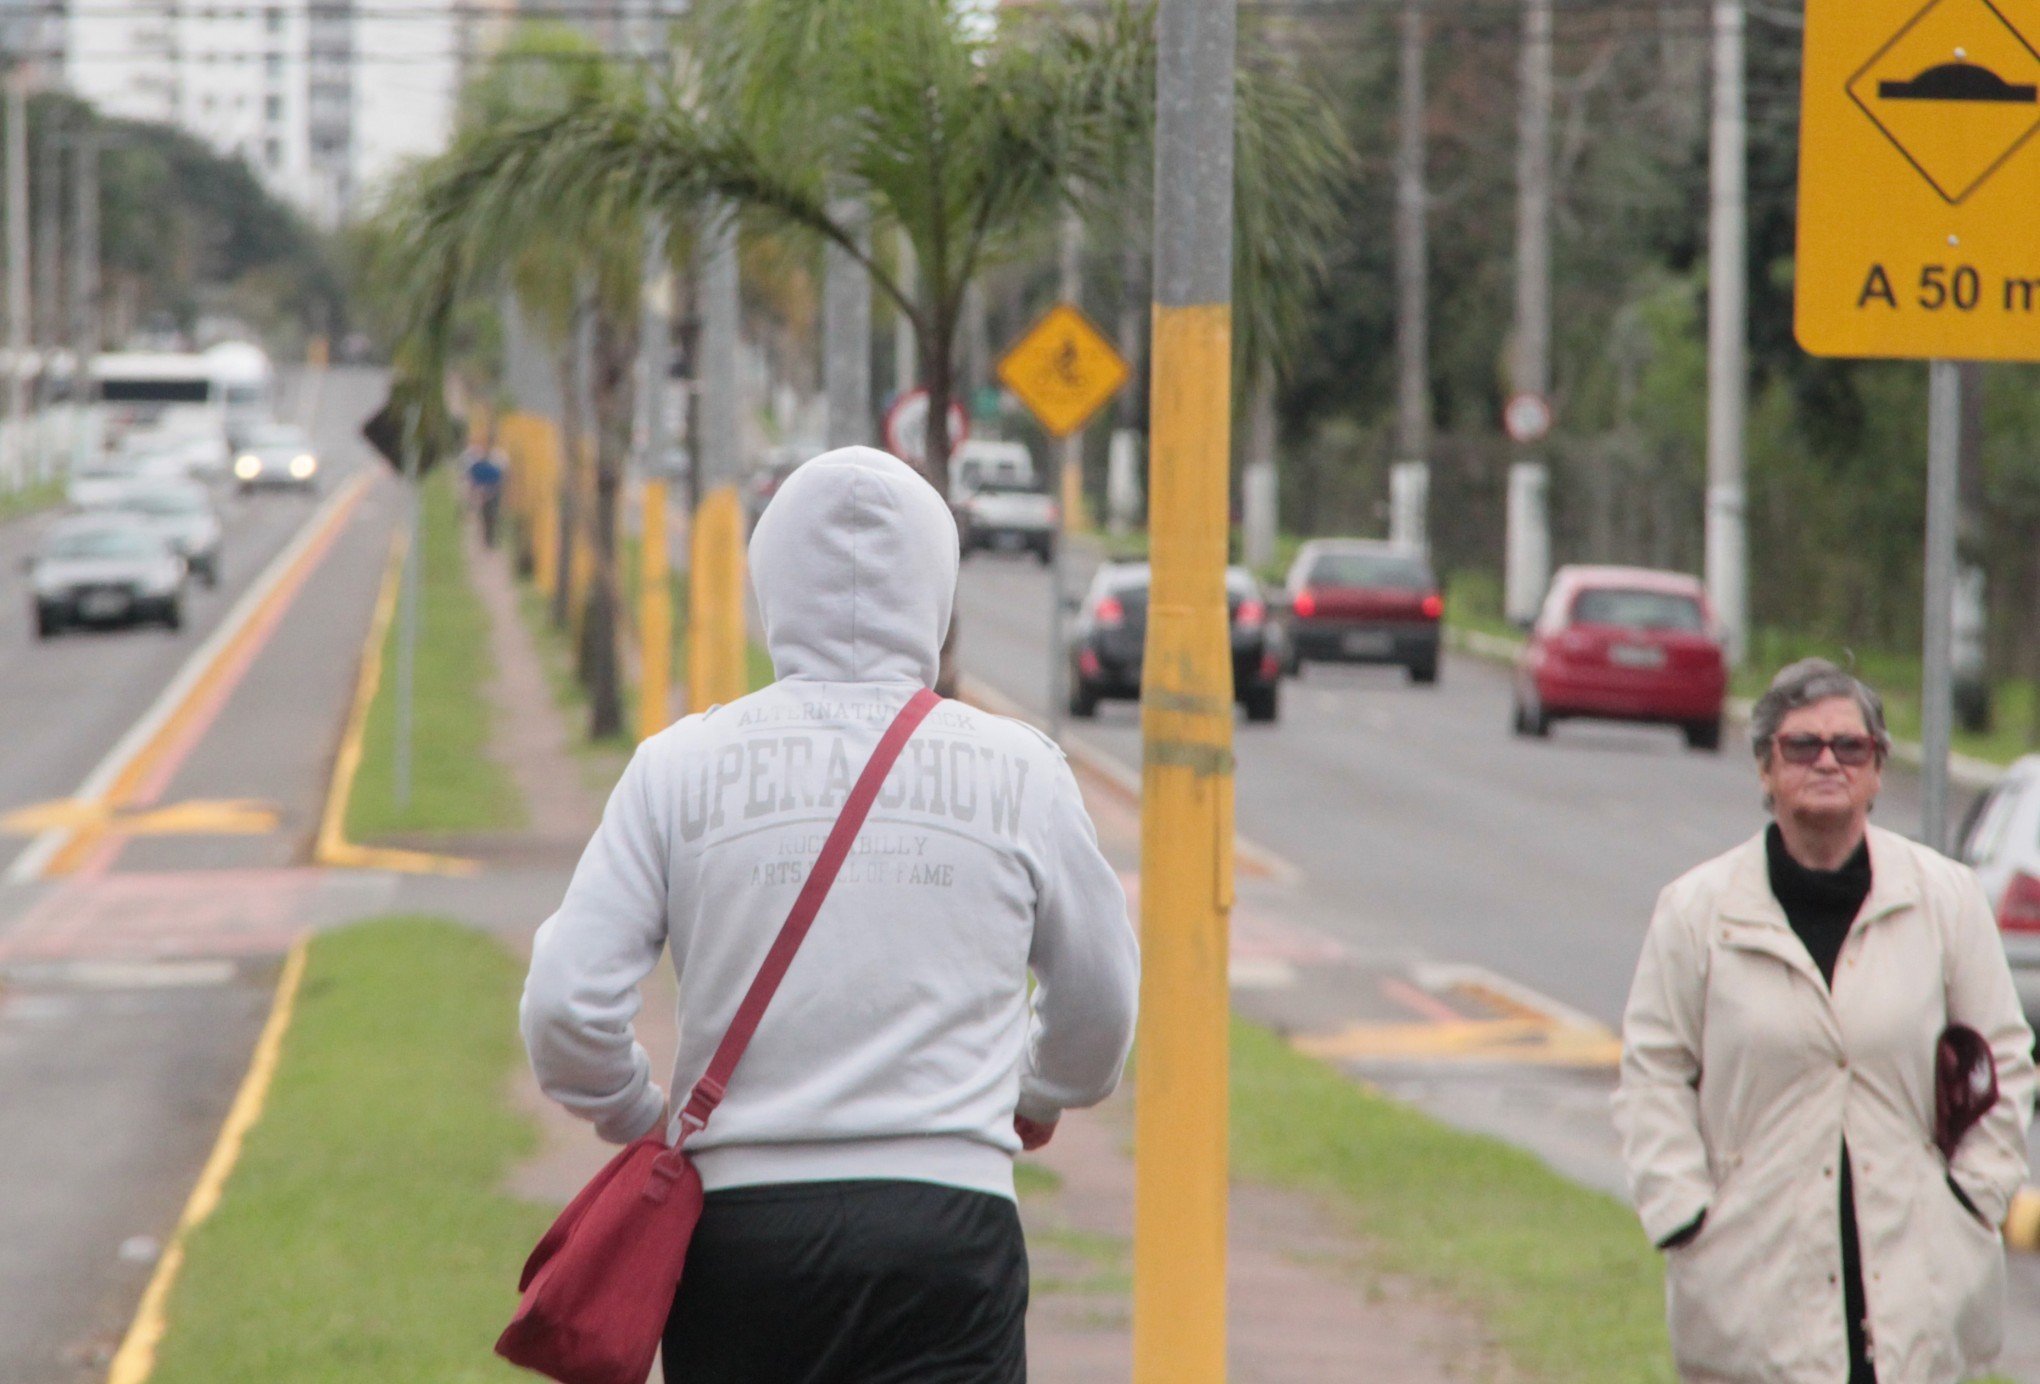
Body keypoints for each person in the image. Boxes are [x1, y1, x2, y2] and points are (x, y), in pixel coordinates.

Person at [520, 445, 1139, 1383]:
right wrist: (1033, 1094)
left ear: (773, 585)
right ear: (938, 589)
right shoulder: (1023, 773)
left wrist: (645, 1117)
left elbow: (566, 1010)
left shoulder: (678, 768)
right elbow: (1099, 1007)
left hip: (739, 1239)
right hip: (948, 1233)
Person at [1614, 658, 2035, 1384]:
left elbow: (2003, 1063)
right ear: (1765, 771)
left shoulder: (1947, 900)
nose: (1828, 762)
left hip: (1914, 1274)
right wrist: (1685, 1216)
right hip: (1753, 1277)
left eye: (1851, 746)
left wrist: (1973, 1197)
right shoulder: (1695, 912)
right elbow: (1653, 1075)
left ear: (1876, 771)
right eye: (1802, 746)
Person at [464, 439, 505, 548]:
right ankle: (489, 540)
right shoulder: (484, 468)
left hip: (490, 496)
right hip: (488, 496)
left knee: (489, 517)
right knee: (488, 517)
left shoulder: (483, 468)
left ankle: (489, 540)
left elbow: (473, 482)